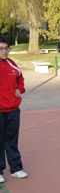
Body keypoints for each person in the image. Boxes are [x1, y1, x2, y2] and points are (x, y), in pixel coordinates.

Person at [0, 36, 28, 183]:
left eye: (7, 48)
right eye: (1, 49)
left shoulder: (12, 64)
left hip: (13, 109)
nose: (5, 51)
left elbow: (20, 78)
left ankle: (16, 169)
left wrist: (19, 89)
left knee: (12, 140)